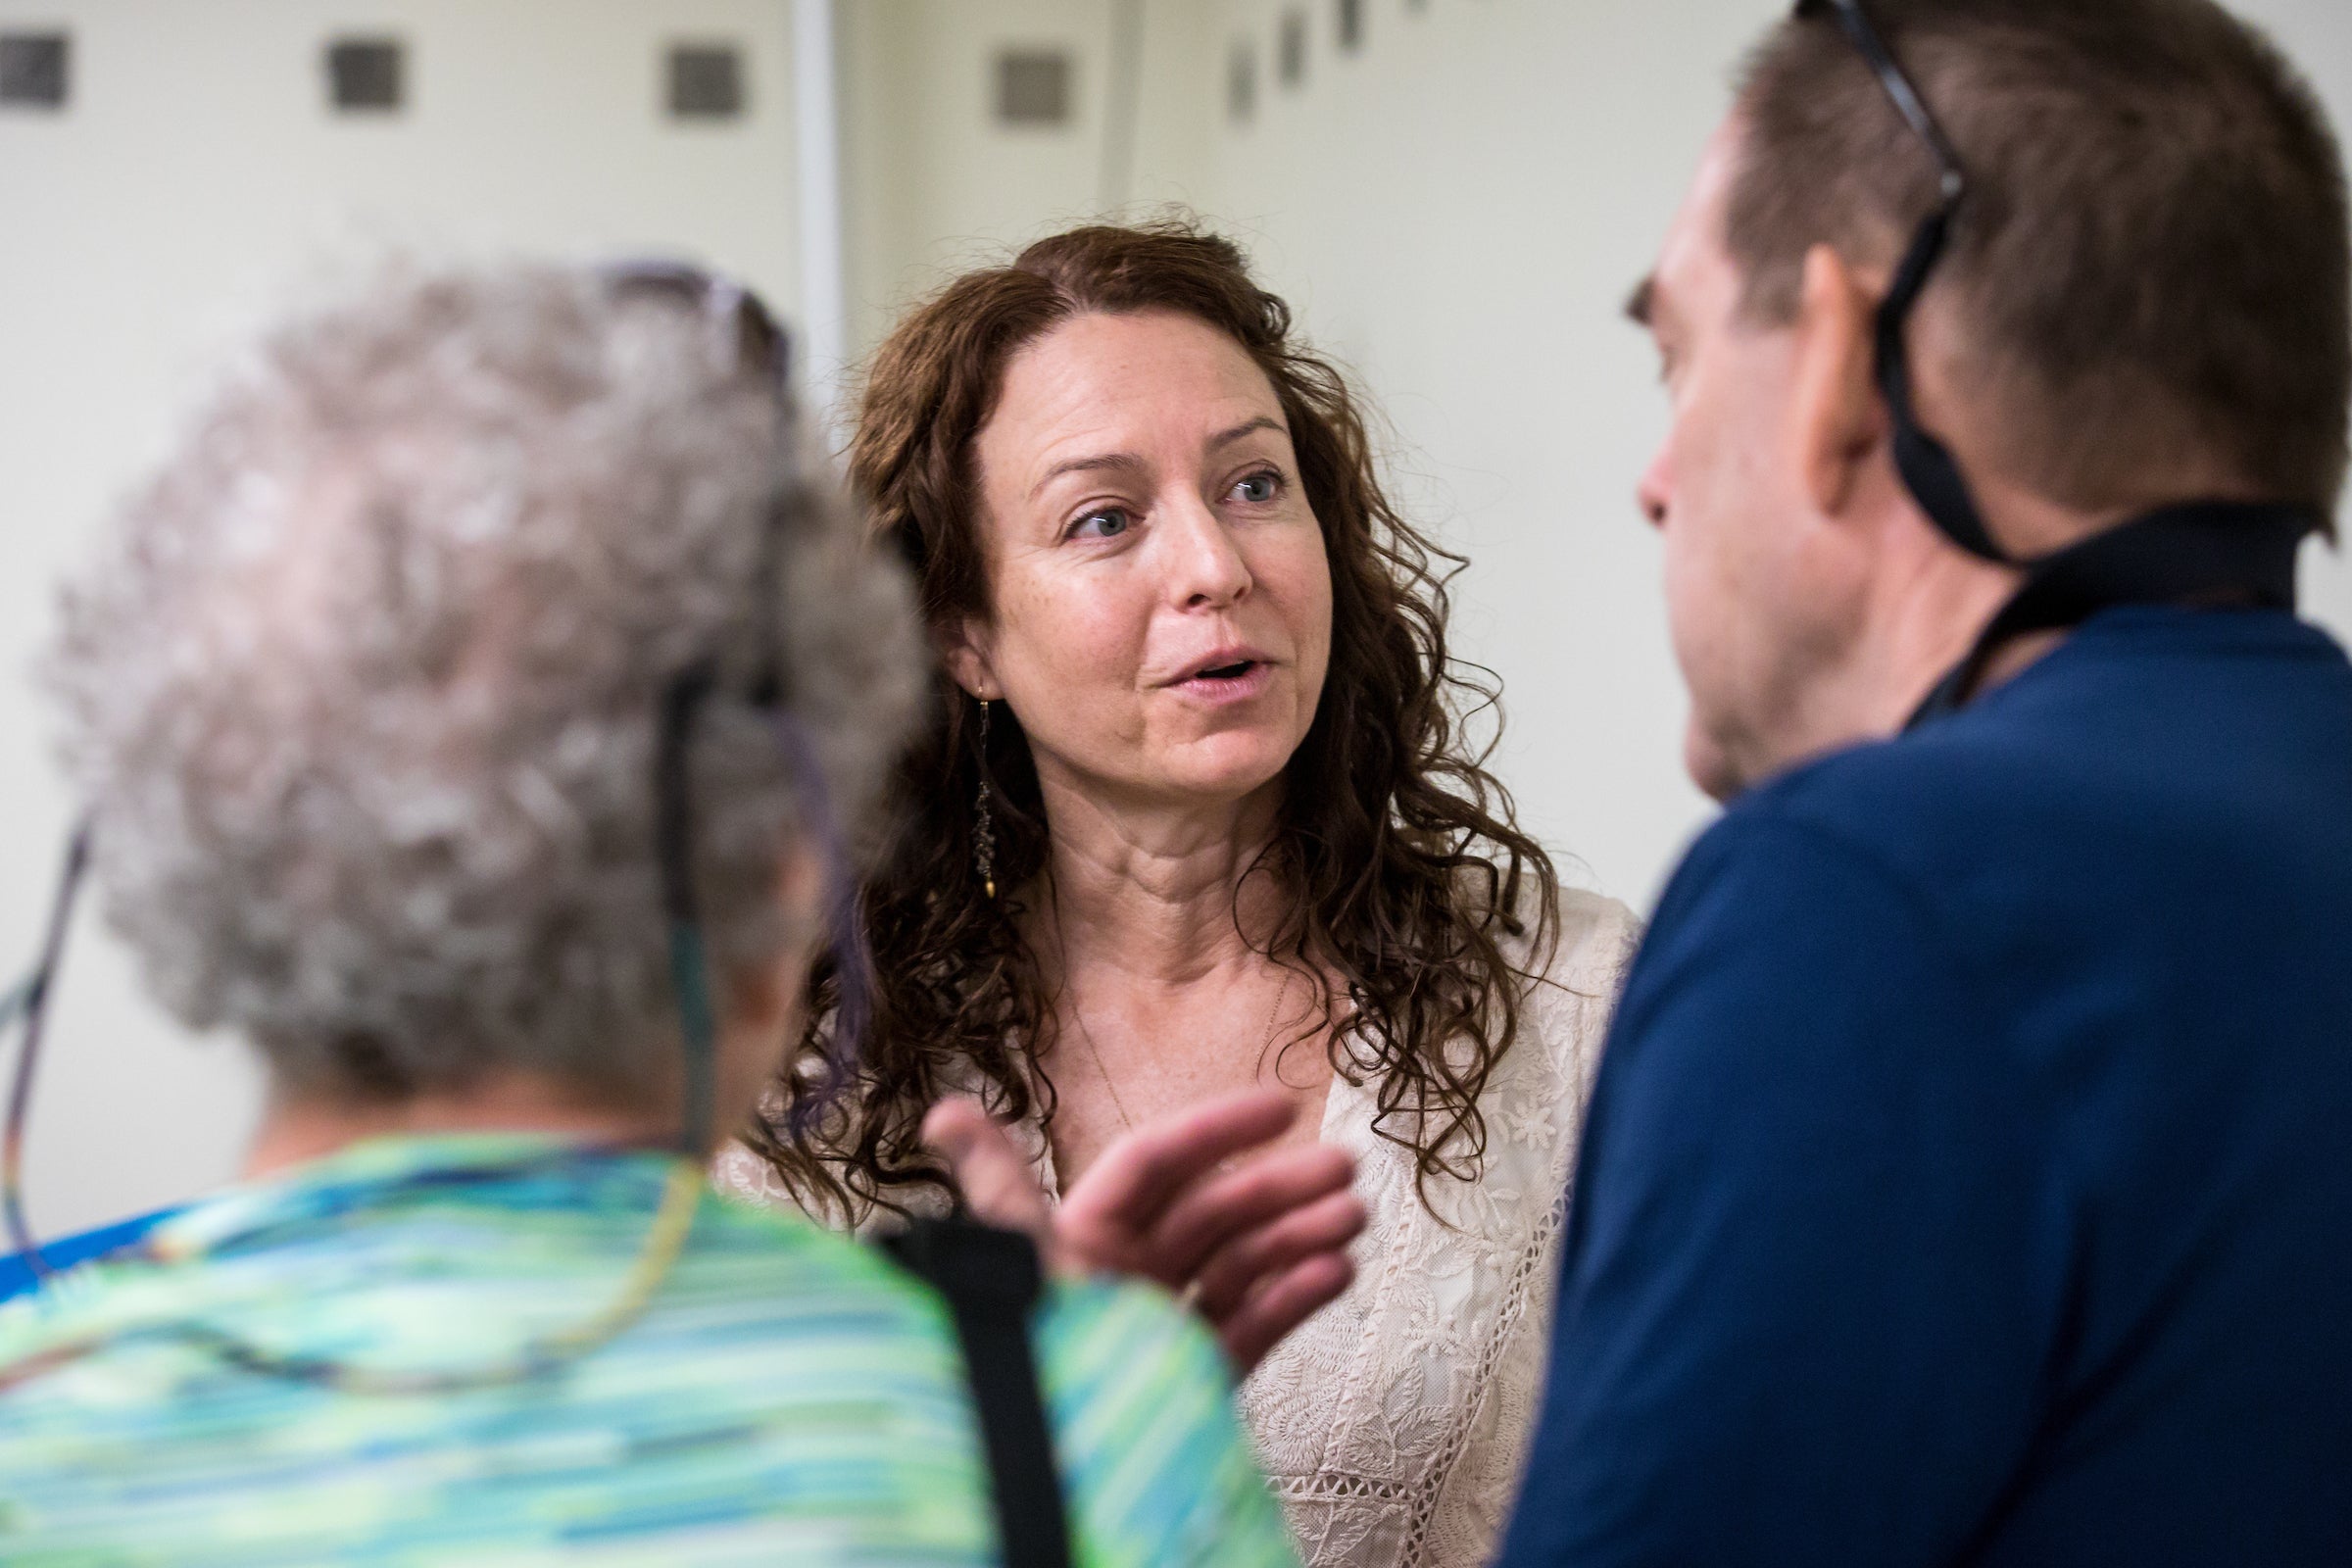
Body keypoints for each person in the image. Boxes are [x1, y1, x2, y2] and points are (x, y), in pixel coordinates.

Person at [0, 262, 1307, 1565]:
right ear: (788, 868)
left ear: (188, 857)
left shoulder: (33, 1441)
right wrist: (1090, 1412)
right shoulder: (1091, 1429)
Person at [1499, 1, 2352, 1563]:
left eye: (1678, 358)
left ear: (1837, 360)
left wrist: (1097, 1433)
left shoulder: (1864, 906)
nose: (1656, 475)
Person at [717, 221, 1641, 1568]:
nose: (1217, 566)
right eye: (1105, 519)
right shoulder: (810, 1076)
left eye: (1256, 486)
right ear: (961, 633)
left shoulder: (1579, 1014)